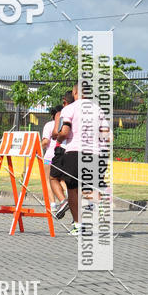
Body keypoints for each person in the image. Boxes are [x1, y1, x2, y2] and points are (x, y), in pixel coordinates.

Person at [56, 82, 110, 234]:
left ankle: (78, 225)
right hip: (95, 153)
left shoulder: (69, 108)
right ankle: (98, 208)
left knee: (73, 189)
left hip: (75, 151)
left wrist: (59, 139)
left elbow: (65, 131)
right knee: (89, 186)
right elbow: (106, 135)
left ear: (75, 93)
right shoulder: (98, 109)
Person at [49, 90, 73, 218]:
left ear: (65, 101)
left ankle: (62, 200)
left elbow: (55, 133)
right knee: (73, 183)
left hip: (62, 149)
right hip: (77, 150)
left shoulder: (61, 113)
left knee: (53, 178)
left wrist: (57, 137)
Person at [42, 104, 62, 208]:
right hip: (62, 156)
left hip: (49, 158)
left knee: (47, 180)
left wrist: (37, 146)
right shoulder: (66, 124)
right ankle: (66, 198)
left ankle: (53, 204)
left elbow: (46, 141)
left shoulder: (49, 125)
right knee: (62, 180)